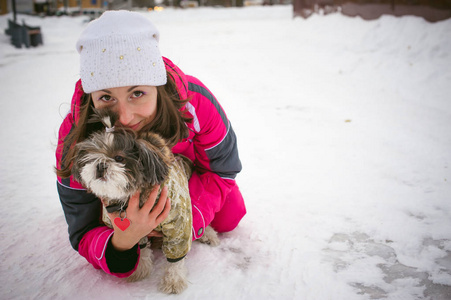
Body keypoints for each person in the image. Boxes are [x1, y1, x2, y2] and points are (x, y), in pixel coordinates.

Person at [55, 10, 246, 278]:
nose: (124, 117)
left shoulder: (194, 101)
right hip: (118, 195)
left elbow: (223, 169)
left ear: (158, 84)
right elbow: (82, 227)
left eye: (137, 93)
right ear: (92, 95)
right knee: (117, 254)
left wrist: (190, 218)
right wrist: (124, 239)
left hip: (188, 179)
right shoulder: (75, 132)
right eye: (106, 97)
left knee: (230, 215)